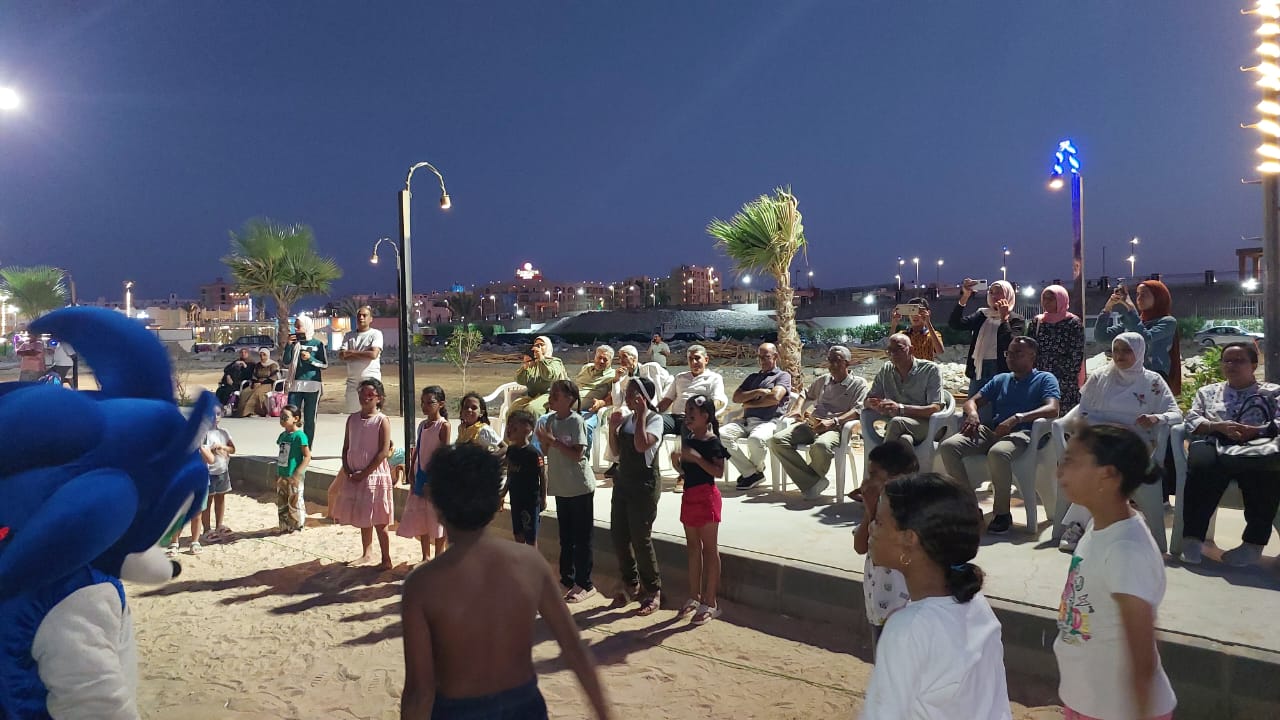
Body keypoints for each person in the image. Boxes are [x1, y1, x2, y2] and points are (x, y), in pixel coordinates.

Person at [400, 444, 613, 720]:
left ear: (434, 500)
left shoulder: (422, 585)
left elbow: (419, 690)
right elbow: (575, 650)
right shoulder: (530, 563)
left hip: (459, 709)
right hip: (524, 704)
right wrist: (605, 714)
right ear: (495, 500)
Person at [862, 473, 1011, 719]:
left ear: (909, 539)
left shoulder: (907, 629)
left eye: (879, 521)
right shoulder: (976, 604)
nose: (871, 528)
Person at [1055, 423, 1177, 720]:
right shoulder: (1098, 527)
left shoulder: (1126, 551)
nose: (1060, 469)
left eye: (1071, 461)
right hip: (1088, 702)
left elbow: (1143, 657)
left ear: (1107, 475)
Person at [1057, 333, 1182, 554]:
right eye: (1116, 350)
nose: (1120, 356)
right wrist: (1109, 427)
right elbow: (1083, 411)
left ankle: (1077, 525)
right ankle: (1084, 525)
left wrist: (1156, 418)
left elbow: (1176, 414)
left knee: (1098, 466)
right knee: (1096, 465)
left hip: (1136, 442)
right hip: (1102, 437)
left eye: (1126, 351)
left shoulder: (1152, 381)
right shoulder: (1100, 377)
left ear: (1139, 352)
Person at [939, 336, 1061, 534]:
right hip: (995, 431)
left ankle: (1002, 513)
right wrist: (973, 414)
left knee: (998, 452)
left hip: (1025, 434)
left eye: (1017, 353)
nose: (1011, 357)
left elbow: (1052, 409)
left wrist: (1018, 418)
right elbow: (971, 401)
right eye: (1008, 353)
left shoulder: (1044, 379)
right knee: (949, 447)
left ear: (1032, 356)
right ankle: (969, 507)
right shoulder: (1001, 379)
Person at [1178, 342, 1280, 567]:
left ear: (1254, 365)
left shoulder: (1273, 392)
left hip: (1258, 444)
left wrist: (1256, 430)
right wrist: (1218, 427)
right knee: (1201, 466)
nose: (1232, 365)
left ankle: (1253, 544)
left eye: (1239, 360)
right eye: (1227, 361)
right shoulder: (1208, 392)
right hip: (1215, 440)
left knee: (1265, 473)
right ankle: (1193, 538)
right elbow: (1192, 419)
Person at [768, 345, 869, 501]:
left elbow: (858, 410)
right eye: (830, 360)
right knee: (776, 441)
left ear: (847, 363)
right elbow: (805, 393)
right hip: (813, 424)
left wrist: (833, 421)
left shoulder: (858, 384)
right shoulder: (824, 380)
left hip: (837, 428)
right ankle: (813, 482)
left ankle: (811, 482)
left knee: (821, 446)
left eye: (837, 361)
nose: (832, 364)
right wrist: (797, 409)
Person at [858, 332, 944, 501]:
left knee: (897, 422)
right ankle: (908, 491)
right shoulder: (886, 370)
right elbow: (867, 399)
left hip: (927, 424)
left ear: (911, 349)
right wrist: (874, 404)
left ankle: (876, 482)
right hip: (899, 428)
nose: (892, 354)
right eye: (889, 350)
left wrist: (901, 409)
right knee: (905, 441)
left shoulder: (930, 370)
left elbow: (935, 408)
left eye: (898, 349)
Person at [853, 442, 919, 654]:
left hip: (903, 608)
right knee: (882, 661)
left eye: (874, 474)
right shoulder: (879, 507)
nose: (867, 481)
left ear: (897, 477)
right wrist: (869, 511)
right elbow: (860, 546)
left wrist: (873, 510)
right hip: (878, 607)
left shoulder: (911, 511)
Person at [606, 378, 665, 615]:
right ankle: (631, 583)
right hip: (623, 482)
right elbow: (616, 452)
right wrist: (612, 429)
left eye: (632, 394)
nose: (627, 398)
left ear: (643, 397)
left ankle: (653, 589)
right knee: (619, 535)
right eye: (627, 394)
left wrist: (641, 415)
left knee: (641, 538)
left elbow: (642, 446)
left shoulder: (654, 420)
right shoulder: (627, 420)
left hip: (644, 485)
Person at [537, 379, 597, 603]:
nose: (551, 398)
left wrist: (552, 441)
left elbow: (577, 454)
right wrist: (544, 441)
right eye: (551, 394)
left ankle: (585, 583)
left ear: (569, 399)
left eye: (556, 395)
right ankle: (567, 578)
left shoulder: (576, 421)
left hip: (579, 487)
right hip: (562, 487)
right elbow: (546, 451)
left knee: (582, 538)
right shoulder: (550, 420)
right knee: (566, 537)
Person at [676, 394, 729, 626]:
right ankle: (694, 595)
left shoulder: (712, 441)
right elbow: (687, 472)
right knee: (692, 548)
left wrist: (697, 458)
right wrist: (677, 461)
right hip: (690, 495)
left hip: (707, 497)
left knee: (709, 549)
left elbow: (718, 472)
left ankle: (711, 601)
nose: (687, 416)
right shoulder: (688, 439)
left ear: (705, 416)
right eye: (686, 411)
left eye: (692, 412)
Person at [331, 379, 394, 570]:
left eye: (370, 395)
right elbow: (346, 446)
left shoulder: (381, 420)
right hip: (355, 474)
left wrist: (365, 472)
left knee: (379, 519)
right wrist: (347, 468)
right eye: (362, 394)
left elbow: (383, 451)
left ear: (379, 398)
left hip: (374, 476)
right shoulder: (352, 419)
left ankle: (386, 558)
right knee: (364, 517)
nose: (365, 398)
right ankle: (367, 553)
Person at [722, 342, 792, 491]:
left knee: (756, 440)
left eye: (766, 357)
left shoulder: (782, 376)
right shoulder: (753, 377)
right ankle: (751, 472)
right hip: (746, 421)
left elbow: (775, 398)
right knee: (720, 435)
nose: (762, 361)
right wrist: (757, 392)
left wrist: (749, 404)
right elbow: (736, 397)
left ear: (775, 357)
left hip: (769, 421)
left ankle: (753, 472)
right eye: (760, 357)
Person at [658, 344, 728, 492]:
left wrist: (702, 411)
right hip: (675, 417)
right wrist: (651, 413)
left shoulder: (714, 378)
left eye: (697, 358)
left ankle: (685, 474)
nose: (694, 362)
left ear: (706, 359)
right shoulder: (680, 377)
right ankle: (646, 468)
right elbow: (667, 400)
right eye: (691, 359)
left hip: (694, 420)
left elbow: (719, 401)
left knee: (688, 425)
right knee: (653, 423)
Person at [1095, 280, 1180, 395]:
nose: (1139, 298)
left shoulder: (1167, 322)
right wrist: (1107, 308)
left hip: (1154, 378)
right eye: (1138, 294)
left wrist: (1131, 310)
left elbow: (1145, 338)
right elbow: (1102, 337)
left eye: (1144, 294)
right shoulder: (1135, 321)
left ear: (1158, 297)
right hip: (1130, 376)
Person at [397, 386, 451, 562]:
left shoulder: (443, 426)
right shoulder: (422, 425)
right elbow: (418, 450)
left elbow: (443, 455)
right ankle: (425, 556)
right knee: (422, 517)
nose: (425, 406)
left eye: (430, 403)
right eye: (423, 402)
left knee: (436, 518)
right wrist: (411, 471)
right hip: (419, 475)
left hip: (435, 479)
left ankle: (438, 557)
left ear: (440, 404)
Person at [949, 279, 1026, 403]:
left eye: (999, 292)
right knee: (973, 404)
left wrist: (1004, 319)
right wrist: (965, 297)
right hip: (979, 366)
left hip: (1000, 368)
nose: (994, 296)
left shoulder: (1016, 319)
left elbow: (1009, 344)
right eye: (991, 292)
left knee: (996, 406)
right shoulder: (982, 314)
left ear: (1008, 294)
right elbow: (955, 324)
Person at [1025, 284, 1085, 412]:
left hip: (1064, 384)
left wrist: (1058, 376)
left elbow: (1076, 355)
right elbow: (1029, 350)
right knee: (1039, 418)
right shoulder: (1037, 322)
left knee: (1063, 419)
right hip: (1039, 380)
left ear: (1061, 300)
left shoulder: (1073, 323)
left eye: (1051, 299)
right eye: (1044, 298)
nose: (1046, 302)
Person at [502, 410, 546, 547]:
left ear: (527, 429)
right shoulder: (510, 451)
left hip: (530, 501)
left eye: (514, 426)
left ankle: (532, 559)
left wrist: (543, 498)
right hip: (515, 499)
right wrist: (503, 493)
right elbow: (510, 474)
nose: (509, 429)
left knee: (531, 537)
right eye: (509, 425)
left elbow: (543, 475)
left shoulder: (534, 454)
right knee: (518, 534)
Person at [283, 315, 328, 444]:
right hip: (295, 384)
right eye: (295, 327)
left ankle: (306, 447)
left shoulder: (317, 344)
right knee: (290, 416)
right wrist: (288, 346)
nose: (296, 329)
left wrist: (310, 359)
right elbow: (286, 361)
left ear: (307, 327)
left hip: (312, 386)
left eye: (299, 326)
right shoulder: (294, 343)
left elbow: (324, 365)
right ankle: (291, 445)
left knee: (309, 419)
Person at [200, 406, 236, 543]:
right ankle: (207, 529)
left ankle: (219, 525)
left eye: (218, 414)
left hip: (222, 470)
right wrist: (211, 449)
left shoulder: (224, 432)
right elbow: (201, 450)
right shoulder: (203, 434)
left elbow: (232, 449)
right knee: (208, 501)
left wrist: (223, 447)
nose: (215, 417)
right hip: (208, 472)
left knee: (221, 497)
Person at [338, 306, 383, 413]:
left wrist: (352, 352)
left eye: (364, 315)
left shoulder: (375, 334)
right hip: (353, 383)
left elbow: (373, 354)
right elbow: (342, 355)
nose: (361, 318)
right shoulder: (349, 335)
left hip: (371, 382)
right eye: (359, 315)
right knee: (354, 414)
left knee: (371, 414)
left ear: (371, 319)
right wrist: (364, 353)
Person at [510, 335, 568, 417]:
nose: (538, 347)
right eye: (536, 345)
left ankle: (535, 426)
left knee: (532, 409)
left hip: (550, 396)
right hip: (532, 396)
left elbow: (549, 375)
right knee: (514, 408)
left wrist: (541, 359)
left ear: (548, 347)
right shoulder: (533, 363)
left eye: (542, 345)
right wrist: (525, 366)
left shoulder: (555, 362)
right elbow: (520, 381)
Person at [574, 344, 618, 452]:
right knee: (544, 420)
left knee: (585, 426)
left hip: (589, 411)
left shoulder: (613, 375)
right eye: (599, 358)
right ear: (595, 357)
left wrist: (601, 402)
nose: (601, 361)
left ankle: (582, 459)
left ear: (611, 361)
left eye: (605, 359)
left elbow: (614, 396)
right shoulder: (586, 368)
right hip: (568, 408)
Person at [275, 404, 310, 533]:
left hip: (294, 475)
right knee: (282, 500)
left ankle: (297, 525)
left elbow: (307, 456)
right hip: (282, 474)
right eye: (281, 417)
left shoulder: (300, 436)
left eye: (285, 417)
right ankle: (284, 525)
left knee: (295, 501)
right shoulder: (282, 436)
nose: (282, 419)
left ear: (295, 418)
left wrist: (298, 473)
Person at [236, 349, 279, 417]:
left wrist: (262, 382)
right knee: (245, 392)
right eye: (261, 355)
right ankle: (241, 411)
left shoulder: (273, 365)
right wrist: (256, 382)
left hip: (268, 384)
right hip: (257, 383)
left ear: (268, 355)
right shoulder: (258, 365)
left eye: (264, 355)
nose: (262, 357)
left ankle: (255, 412)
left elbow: (274, 377)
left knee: (257, 393)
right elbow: (254, 375)